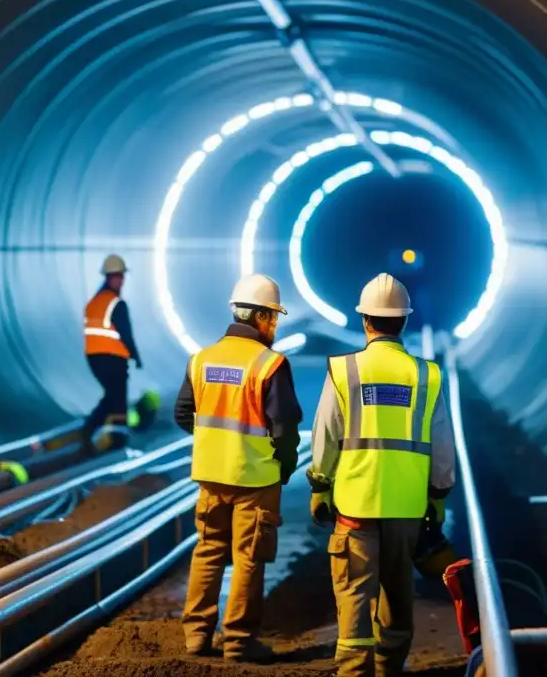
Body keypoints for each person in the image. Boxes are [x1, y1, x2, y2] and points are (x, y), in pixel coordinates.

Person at [306, 273, 456, 677]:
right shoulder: (426, 375)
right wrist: (438, 495)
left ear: (365, 321)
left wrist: (320, 485)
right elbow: (442, 445)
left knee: (355, 593)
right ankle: (391, 666)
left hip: (355, 506)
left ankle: (355, 671)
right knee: (398, 590)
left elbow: (326, 434)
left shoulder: (345, 371)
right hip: (406, 508)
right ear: (403, 322)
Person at [174, 273, 302, 663]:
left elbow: (183, 413)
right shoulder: (269, 364)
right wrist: (284, 465)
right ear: (260, 317)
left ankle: (196, 636)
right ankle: (238, 642)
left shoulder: (202, 358)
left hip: (211, 477)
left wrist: (215, 441)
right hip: (255, 478)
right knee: (248, 556)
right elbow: (284, 428)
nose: (275, 325)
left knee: (209, 550)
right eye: (274, 317)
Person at [83, 254, 142, 451]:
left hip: (94, 357)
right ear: (109, 278)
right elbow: (125, 333)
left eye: (121, 276)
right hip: (112, 357)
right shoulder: (117, 303)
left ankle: (91, 429)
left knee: (111, 396)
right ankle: (116, 440)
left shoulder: (95, 302)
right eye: (118, 277)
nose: (120, 280)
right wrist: (135, 355)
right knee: (118, 400)